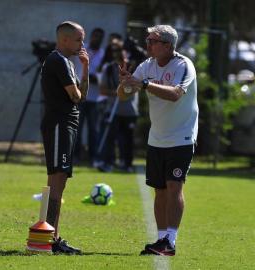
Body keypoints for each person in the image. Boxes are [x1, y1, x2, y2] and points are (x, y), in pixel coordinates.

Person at [118, 25, 198, 256]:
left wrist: (141, 84)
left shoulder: (183, 65)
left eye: (153, 40)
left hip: (181, 137)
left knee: (174, 187)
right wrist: (125, 83)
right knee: (159, 191)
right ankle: (161, 239)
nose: (148, 44)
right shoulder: (147, 65)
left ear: (167, 45)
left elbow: (174, 94)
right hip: (157, 139)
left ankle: (171, 241)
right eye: (147, 40)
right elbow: (123, 95)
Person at [40, 21, 89, 254]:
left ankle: (52, 236)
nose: (82, 44)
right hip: (59, 124)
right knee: (56, 181)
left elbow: (82, 95)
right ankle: (50, 238)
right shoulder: (58, 60)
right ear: (65, 40)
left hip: (66, 123)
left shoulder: (67, 62)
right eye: (79, 39)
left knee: (61, 180)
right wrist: (78, 90)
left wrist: (86, 67)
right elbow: (75, 95)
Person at [98, 40, 139, 173]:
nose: (117, 54)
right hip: (112, 110)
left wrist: (124, 90)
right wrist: (117, 92)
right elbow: (103, 90)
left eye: (119, 50)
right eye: (113, 51)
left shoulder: (133, 67)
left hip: (129, 110)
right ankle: (108, 162)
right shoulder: (108, 69)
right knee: (110, 137)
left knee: (127, 139)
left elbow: (136, 87)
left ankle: (127, 163)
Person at [71, 28, 105, 166]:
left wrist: (94, 77)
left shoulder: (103, 54)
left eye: (99, 37)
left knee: (93, 129)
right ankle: (76, 157)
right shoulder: (82, 50)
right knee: (77, 128)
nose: (96, 39)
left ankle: (92, 158)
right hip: (80, 95)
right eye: (94, 36)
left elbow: (102, 75)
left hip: (95, 98)